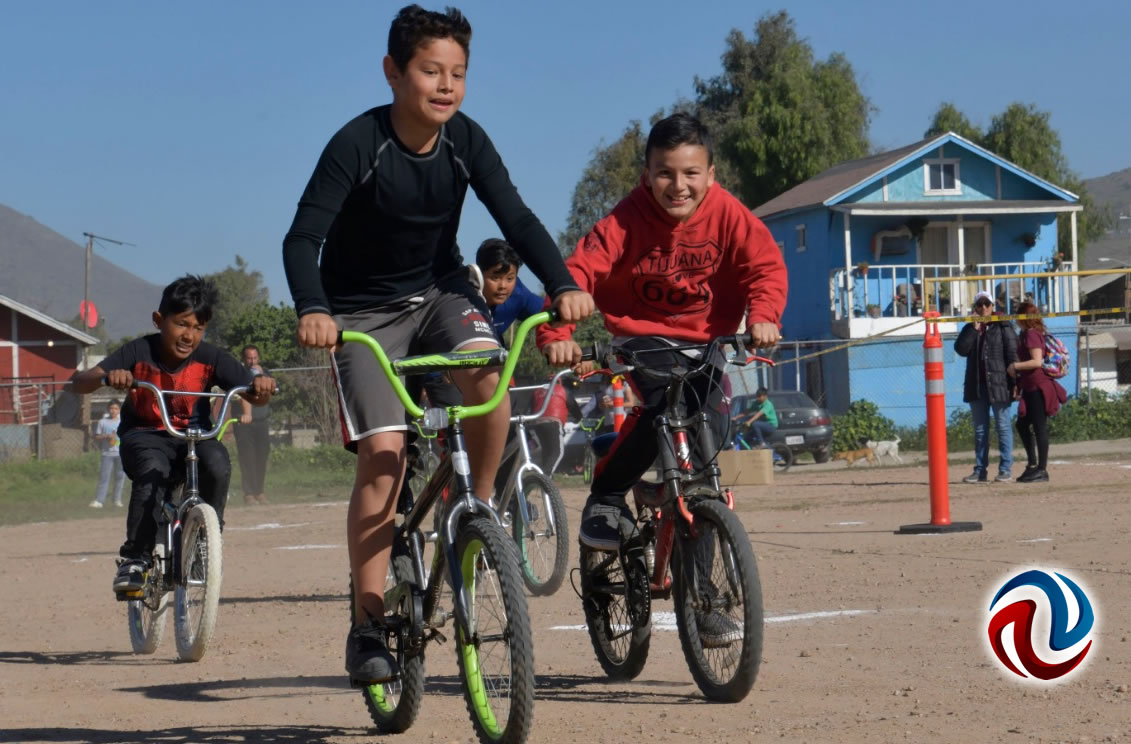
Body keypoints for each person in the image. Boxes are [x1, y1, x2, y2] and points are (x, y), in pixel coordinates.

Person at [281, 4, 593, 684]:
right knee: (385, 457)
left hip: (441, 293)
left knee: (488, 383)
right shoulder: (357, 143)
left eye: (458, 73)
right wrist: (314, 308)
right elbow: (302, 239)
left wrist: (563, 282)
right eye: (431, 71)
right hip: (361, 314)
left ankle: (475, 513)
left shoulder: (465, 141)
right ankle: (367, 625)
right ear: (393, 72)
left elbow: (516, 217)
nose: (447, 85)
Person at [538, 112, 787, 554]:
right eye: (665, 174)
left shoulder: (729, 215)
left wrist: (763, 316)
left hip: (708, 342)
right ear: (647, 175)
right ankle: (608, 494)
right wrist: (558, 336)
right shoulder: (625, 219)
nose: (678, 186)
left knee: (709, 433)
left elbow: (764, 267)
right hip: (644, 337)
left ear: (710, 174)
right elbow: (576, 275)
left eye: (691, 173)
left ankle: (702, 584)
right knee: (662, 409)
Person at [68, 275, 276, 596]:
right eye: (181, 324)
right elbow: (81, 382)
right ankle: (136, 559)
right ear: (158, 320)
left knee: (217, 464)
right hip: (145, 434)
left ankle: (205, 541)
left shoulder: (211, 357)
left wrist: (261, 389)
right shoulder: (139, 350)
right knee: (152, 473)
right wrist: (110, 376)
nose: (189, 335)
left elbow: (252, 394)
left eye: (198, 327)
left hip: (195, 436)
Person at [954, 290, 1019, 483]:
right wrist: (973, 330)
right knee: (980, 430)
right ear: (975, 308)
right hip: (977, 386)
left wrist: (1016, 382)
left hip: (1000, 384)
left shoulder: (1003, 325)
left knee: (1003, 426)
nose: (983, 308)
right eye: (979, 305)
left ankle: (1005, 469)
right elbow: (961, 349)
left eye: (986, 304)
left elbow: (1013, 354)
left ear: (993, 306)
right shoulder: (970, 327)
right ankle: (980, 470)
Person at [1007, 301, 1067, 483]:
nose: (1016, 319)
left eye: (1019, 315)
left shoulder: (1032, 334)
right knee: (1022, 424)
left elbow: (1036, 361)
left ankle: (1041, 469)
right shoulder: (1025, 334)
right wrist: (1018, 382)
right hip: (1029, 385)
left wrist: (1015, 366)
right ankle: (1032, 465)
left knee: (1039, 427)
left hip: (1038, 386)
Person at [476, 238, 545, 342]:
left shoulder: (518, 294)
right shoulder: (460, 297)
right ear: (479, 274)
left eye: (510, 278)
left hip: (495, 349)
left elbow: (555, 312)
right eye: (495, 278)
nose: (503, 286)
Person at [233, 345, 272, 505]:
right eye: (249, 358)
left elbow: (271, 390)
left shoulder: (265, 373)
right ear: (244, 359)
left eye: (255, 358)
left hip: (261, 421)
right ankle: (249, 493)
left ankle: (259, 491)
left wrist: (262, 375)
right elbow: (239, 394)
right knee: (247, 457)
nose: (252, 361)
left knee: (262, 456)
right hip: (244, 423)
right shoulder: (238, 374)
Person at [89, 400, 128, 508]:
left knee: (120, 477)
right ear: (108, 409)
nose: (113, 411)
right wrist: (105, 436)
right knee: (104, 477)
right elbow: (96, 436)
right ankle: (100, 500)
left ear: (119, 410)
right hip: (107, 454)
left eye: (116, 408)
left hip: (120, 454)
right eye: (111, 408)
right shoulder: (103, 422)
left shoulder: (123, 422)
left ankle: (117, 500)